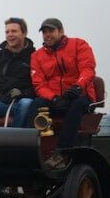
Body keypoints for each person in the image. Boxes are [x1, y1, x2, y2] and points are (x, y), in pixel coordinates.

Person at [29, 18, 98, 168]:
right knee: (35, 104)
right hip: (55, 99)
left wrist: (78, 87)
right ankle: (30, 149)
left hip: (79, 95)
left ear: (61, 31)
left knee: (76, 105)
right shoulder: (37, 56)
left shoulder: (79, 45)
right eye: (45, 32)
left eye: (51, 31)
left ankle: (62, 152)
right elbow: (39, 84)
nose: (47, 35)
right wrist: (54, 98)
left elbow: (88, 69)